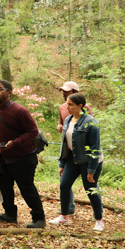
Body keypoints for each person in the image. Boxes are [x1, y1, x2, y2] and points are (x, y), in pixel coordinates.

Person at [0, 80, 46, 229]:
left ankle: (39, 218)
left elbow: (32, 132)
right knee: (5, 186)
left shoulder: (20, 111)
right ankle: (10, 214)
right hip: (4, 158)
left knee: (26, 188)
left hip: (24, 157)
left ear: (9, 92)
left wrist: (15, 142)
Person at [49, 94, 105, 231]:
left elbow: (95, 149)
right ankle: (64, 216)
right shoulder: (68, 119)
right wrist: (61, 164)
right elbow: (64, 144)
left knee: (90, 190)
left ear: (80, 106)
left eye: (70, 104)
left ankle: (99, 220)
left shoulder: (91, 123)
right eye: (66, 104)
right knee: (64, 185)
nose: (66, 107)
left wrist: (91, 172)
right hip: (72, 159)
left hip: (89, 162)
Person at [56, 81, 92, 216]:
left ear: (75, 92)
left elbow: (91, 127)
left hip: (83, 152)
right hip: (68, 150)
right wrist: (59, 128)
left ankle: (97, 211)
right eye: (63, 92)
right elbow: (61, 125)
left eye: (67, 91)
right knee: (63, 180)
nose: (64, 94)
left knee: (89, 182)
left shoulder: (85, 108)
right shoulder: (62, 108)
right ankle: (69, 208)